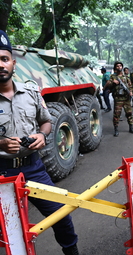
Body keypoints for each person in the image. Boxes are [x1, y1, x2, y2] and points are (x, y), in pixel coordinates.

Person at [0, 30, 79, 255]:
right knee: (7, 230)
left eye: (4, 59)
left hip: (33, 168)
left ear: (13, 63)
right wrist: (1, 144)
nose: (0, 65)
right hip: (1, 171)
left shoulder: (32, 92)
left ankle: (72, 251)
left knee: (60, 215)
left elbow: (45, 122)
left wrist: (42, 136)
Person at [108, 61, 133, 137]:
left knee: (129, 113)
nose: (119, 67)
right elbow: (108, 86)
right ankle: (116, 129)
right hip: (118, 99)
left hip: (126, 98)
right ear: (115, 68)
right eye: (117, 66)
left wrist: (131, 92)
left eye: (120, 66)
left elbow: (130, 86)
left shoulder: (126, 77)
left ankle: (131, 127)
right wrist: (113, 82)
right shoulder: (113, 77)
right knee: (117, 114)